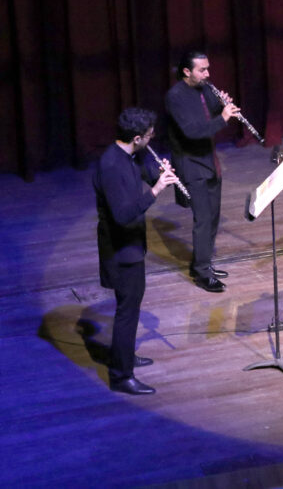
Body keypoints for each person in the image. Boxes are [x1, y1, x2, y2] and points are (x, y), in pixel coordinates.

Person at [93, 107, 179, 395]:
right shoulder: (112, 166)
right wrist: (155, 191)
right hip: (121, 250)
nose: (152, 140)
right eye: (150, 136)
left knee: (131, 306)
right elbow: (123, 215)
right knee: (127, 311)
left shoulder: (131, 155)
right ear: (137, 138)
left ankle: (125, 355)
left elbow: (147, 172)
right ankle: (121, 376)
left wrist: (160, 173)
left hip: (131, 245)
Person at [165, 51, 241, 292]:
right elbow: (193, 131)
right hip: (191, 165)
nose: (208, 74)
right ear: (187, 71)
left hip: (210, 162)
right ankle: (201, 273)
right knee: (203, 220)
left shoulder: (205, 89)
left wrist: (222, 106)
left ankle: (203, 263)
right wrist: (224, 118)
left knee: (213, 217)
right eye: (202, 70)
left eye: (208, 68)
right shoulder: (175, 97)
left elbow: (210, 114)